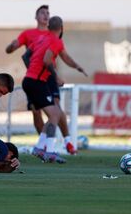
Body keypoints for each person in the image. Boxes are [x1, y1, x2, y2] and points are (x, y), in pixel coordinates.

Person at [22, 16, 87, 162]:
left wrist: (77, 66)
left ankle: (40, 147)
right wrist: (55, 76)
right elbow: (46, 60)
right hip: (36, 82)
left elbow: (26, 56)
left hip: (29, 80)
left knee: (55, 114)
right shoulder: (55, 41)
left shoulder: (41, 38)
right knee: (55, 115)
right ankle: (49, 151)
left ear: (49, 26)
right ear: (61, 28)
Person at [6, 5, 51, 135]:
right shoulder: (28, 34)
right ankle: (43, 143)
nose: (45, 15)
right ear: (36, 17)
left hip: (47, 78)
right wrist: (11, 45)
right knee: (35, 111)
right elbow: (10, 50)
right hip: (33, 78)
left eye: (48, 13)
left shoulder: (51, 35)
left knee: (53, 111)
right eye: (42, 12)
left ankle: (54, 141)